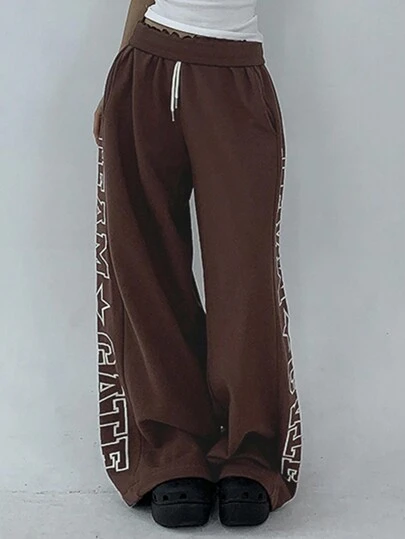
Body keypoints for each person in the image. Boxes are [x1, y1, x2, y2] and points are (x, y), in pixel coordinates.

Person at [93, 0, 302, 529]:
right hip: (146, 64)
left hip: (234, 73)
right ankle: (173, 449)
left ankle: (250, 453)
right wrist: (117, 73)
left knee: (244, 272)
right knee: (146, 262)